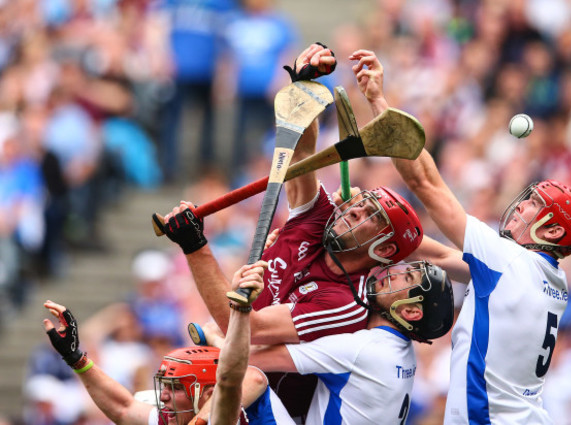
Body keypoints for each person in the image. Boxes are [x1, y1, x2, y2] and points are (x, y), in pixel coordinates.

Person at [158, 43, 424, 421]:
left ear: (382, 249)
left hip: (265, 408)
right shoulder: (322, 219)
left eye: (368, 216)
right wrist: (305, 90)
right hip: (232, 387)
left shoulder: (344, 303)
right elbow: (300, 157)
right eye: (362, 203)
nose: (353, 210)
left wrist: (195, 247)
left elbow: (243, 328)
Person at [349, 49, 571, 424]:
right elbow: (440, 258)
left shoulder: (509, 261)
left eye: (533, 205)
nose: (519, 208)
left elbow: (424, 183)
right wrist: (375, 222)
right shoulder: (546, 278)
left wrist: (378, 101)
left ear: (552, 230)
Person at [203, 257, 454, 425]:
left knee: (251, 379)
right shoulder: (402, 352)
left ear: (410, 313)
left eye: (406, 278)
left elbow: (245, 359)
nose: (394, 274)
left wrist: (213, 336)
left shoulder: (364, 349)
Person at [40, 263, 284, 425]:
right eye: (166, 385)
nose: (163, 396)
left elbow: (251, 378)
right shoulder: (174, 416)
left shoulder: (237, 401)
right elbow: (122, 409)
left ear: (208, 394)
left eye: (176, 387)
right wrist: (75, 357)